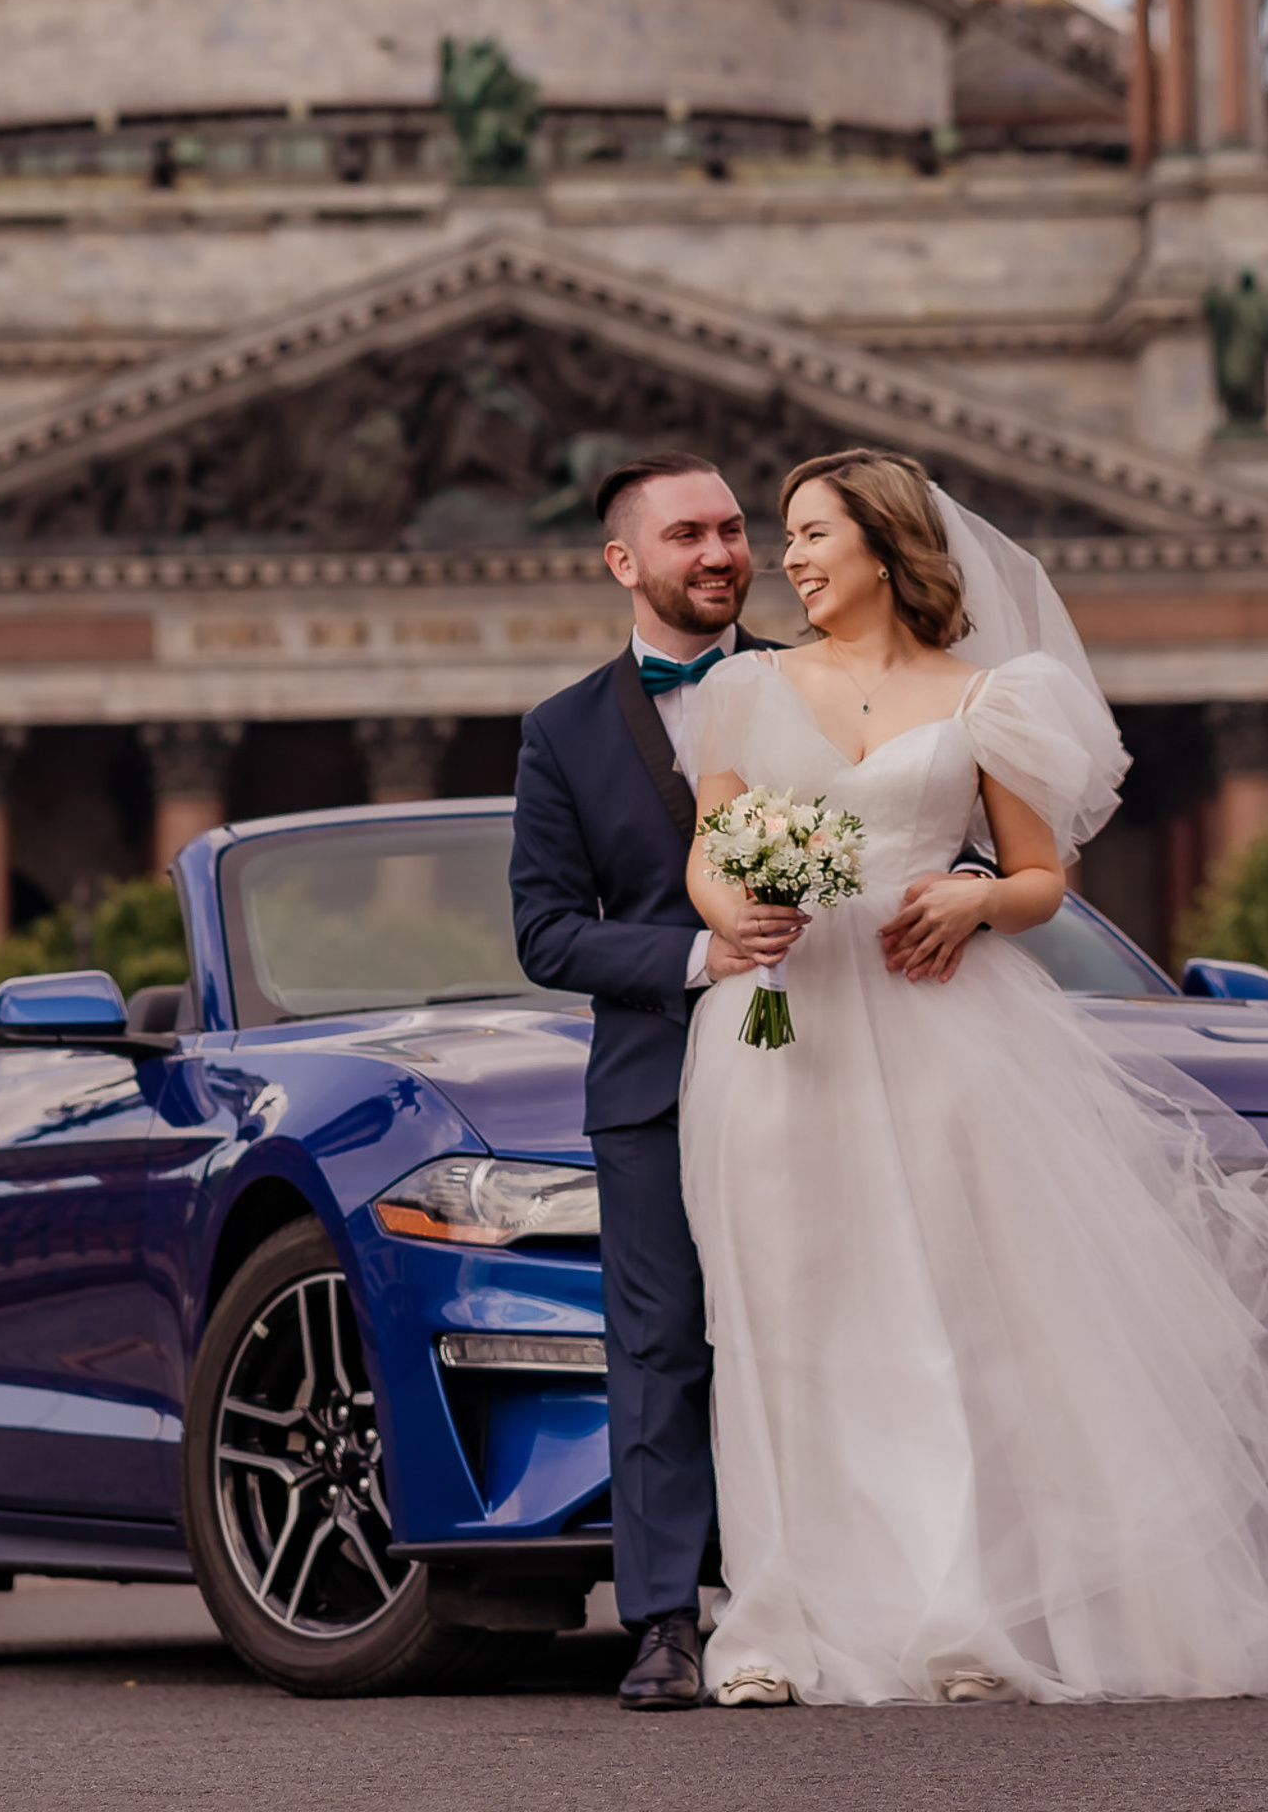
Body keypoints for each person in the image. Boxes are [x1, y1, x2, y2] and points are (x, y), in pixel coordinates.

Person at [676, 448, 1268, 1707]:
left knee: (936, 1322)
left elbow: (1043, 880)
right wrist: (739, 907)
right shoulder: (743, 688)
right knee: (776, 1325)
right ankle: (773, 1625)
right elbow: (711, 848)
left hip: (937, 1026)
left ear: (884, 544)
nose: (791, 560)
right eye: (789, 538)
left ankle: (958, 1614)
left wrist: (979, 899)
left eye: (814, 533)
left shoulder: (989, 698)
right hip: (778, 1028)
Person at [509, 454, 787, 1710]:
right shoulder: (561, 732)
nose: (722, 551)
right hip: (655, 1089)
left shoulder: (814, 683)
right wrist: (699, 952)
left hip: (828, 1073)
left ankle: (839, 1598)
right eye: (689, 534)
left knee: (823, 1340)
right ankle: (666, 1622)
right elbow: (549, 932)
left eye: (734, 528)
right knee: (661, 1349)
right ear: (625, 561)